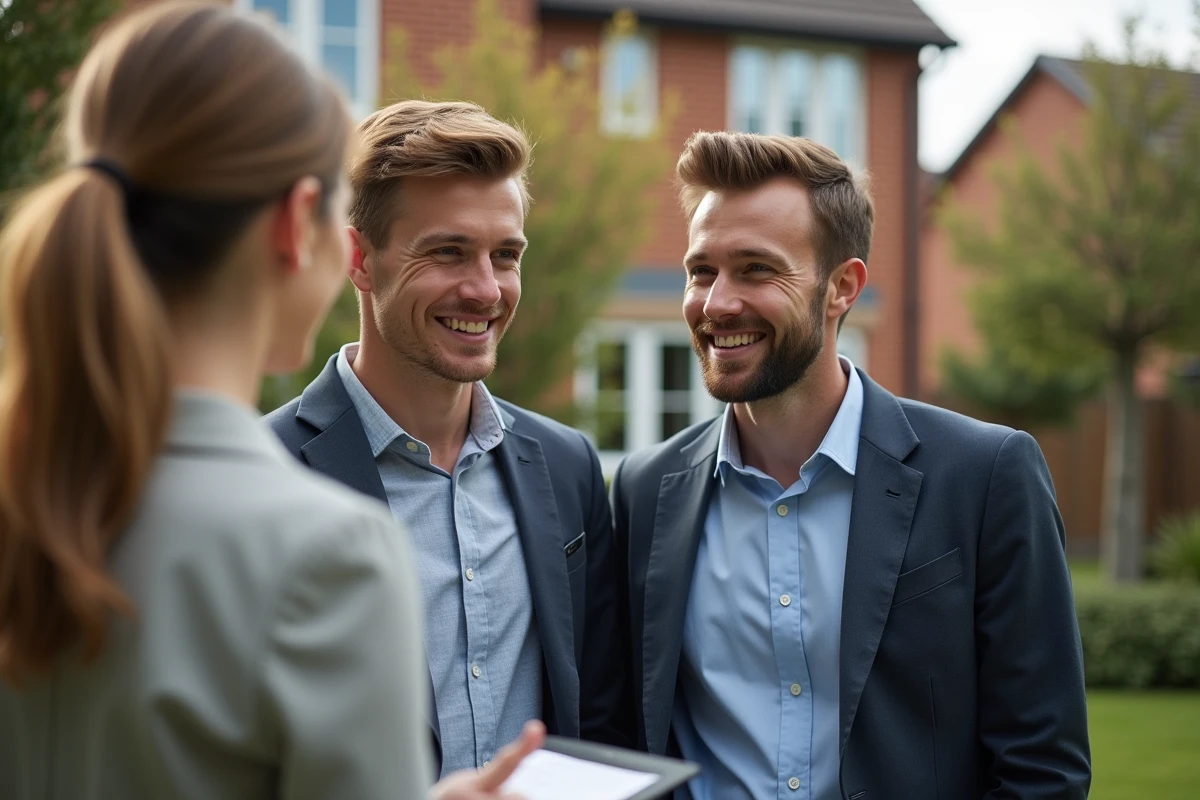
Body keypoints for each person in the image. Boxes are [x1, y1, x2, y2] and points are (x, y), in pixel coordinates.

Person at [0, 4, 541, 798]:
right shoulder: (330, 555)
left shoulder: (31, 493)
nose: (485, 286)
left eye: (505, 255)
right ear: (297, 225)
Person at [610, 131, 1091, 799]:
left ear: (842, 287)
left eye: (756, 269)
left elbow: (1043, 770)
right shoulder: (644, 492)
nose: (717, 303)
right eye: (701, 271)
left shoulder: (985, 476)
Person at [264, 99, 632, 777]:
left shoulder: (567, 467)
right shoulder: (266, 476)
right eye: (448, 252)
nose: (486, 290)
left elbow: (602, 725)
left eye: (506, 255)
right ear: (359, 259)